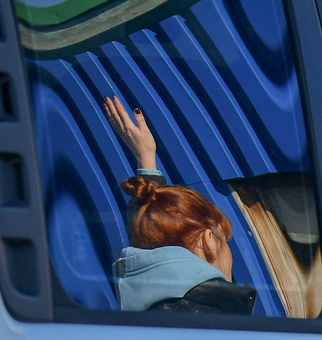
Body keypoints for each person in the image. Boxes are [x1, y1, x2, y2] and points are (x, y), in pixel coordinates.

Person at [100, 95, 258, 315]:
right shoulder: (213, 319)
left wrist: (146, 159)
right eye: (225, 239)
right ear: (209, 242)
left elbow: (155, 240)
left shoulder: (140, 313)